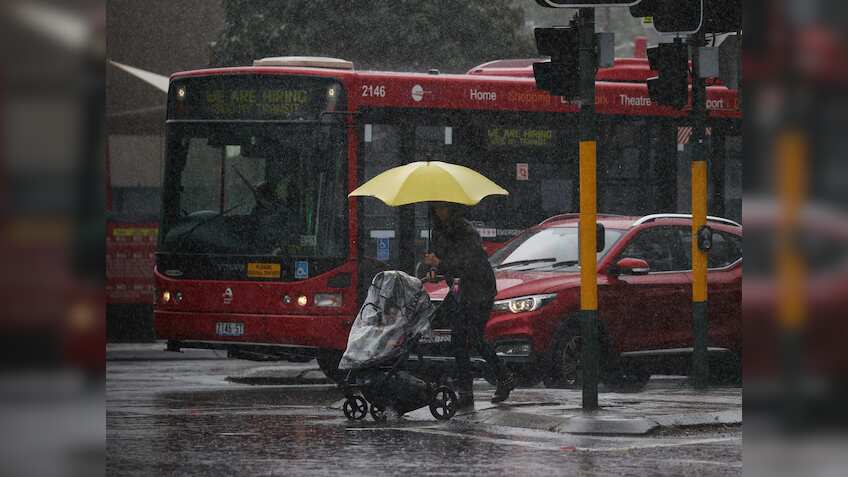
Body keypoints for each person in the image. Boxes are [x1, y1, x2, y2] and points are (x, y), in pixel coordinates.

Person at [423, 202, 515, 408]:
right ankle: (466, 391)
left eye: (443, 208)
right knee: (458, 340)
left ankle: (504, 376)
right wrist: (433, 269)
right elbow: (445, 262)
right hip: (460, 290)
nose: (440, 212)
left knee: (474, 337)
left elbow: (466, 262)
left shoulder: (466, 232)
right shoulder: (438, 231)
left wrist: (440, 264)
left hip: (479, 289)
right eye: (436, 209)